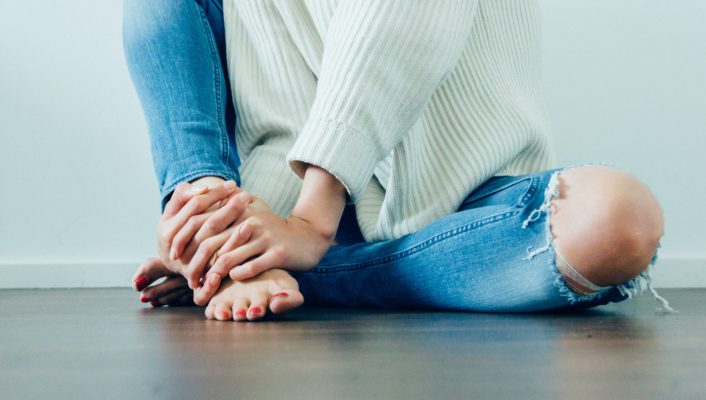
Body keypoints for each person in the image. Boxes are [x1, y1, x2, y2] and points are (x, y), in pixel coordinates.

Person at [122, 0, 673, 322]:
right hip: (279, 205)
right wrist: (221, 222)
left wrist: (311, 223)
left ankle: (297, 273)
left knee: (619, 219)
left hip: (470, 201)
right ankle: (208, 232)